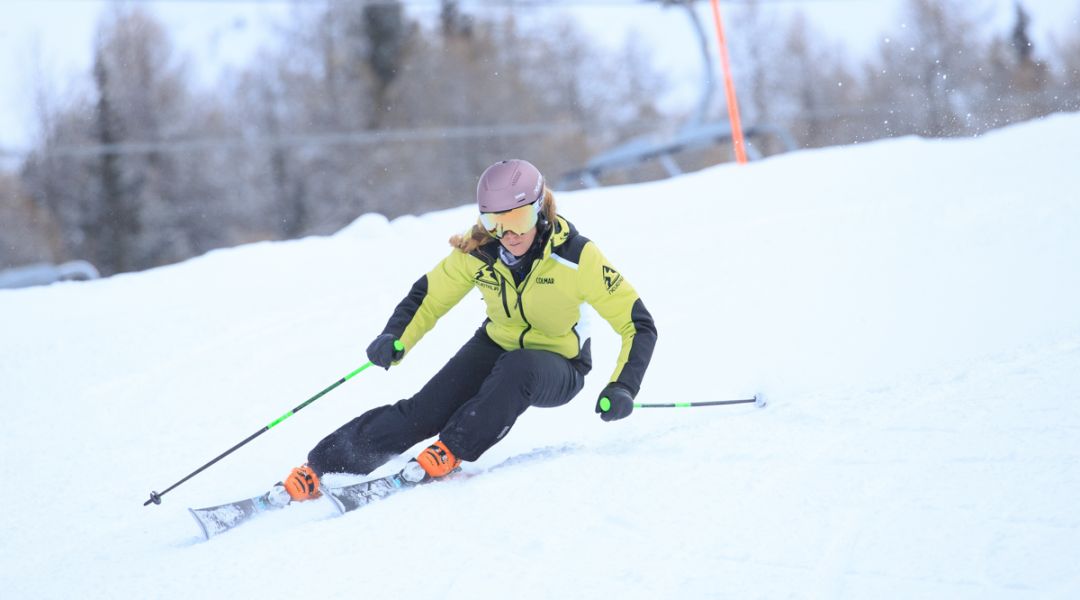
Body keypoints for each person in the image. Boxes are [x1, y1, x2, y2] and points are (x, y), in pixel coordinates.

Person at [273, 159, 657, 504]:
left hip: (559, 364)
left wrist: (623, 385)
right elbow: (430, 295)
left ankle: (451, 450)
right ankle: (326, 465)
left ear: (540, 210)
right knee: (421, 412)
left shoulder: (576, 258)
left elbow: (637, 324)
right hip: (495, 344)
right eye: (496, 223)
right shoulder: (479, 252)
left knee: (519, 368)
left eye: (519, 220)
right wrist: (396, 336)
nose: (508, 235)